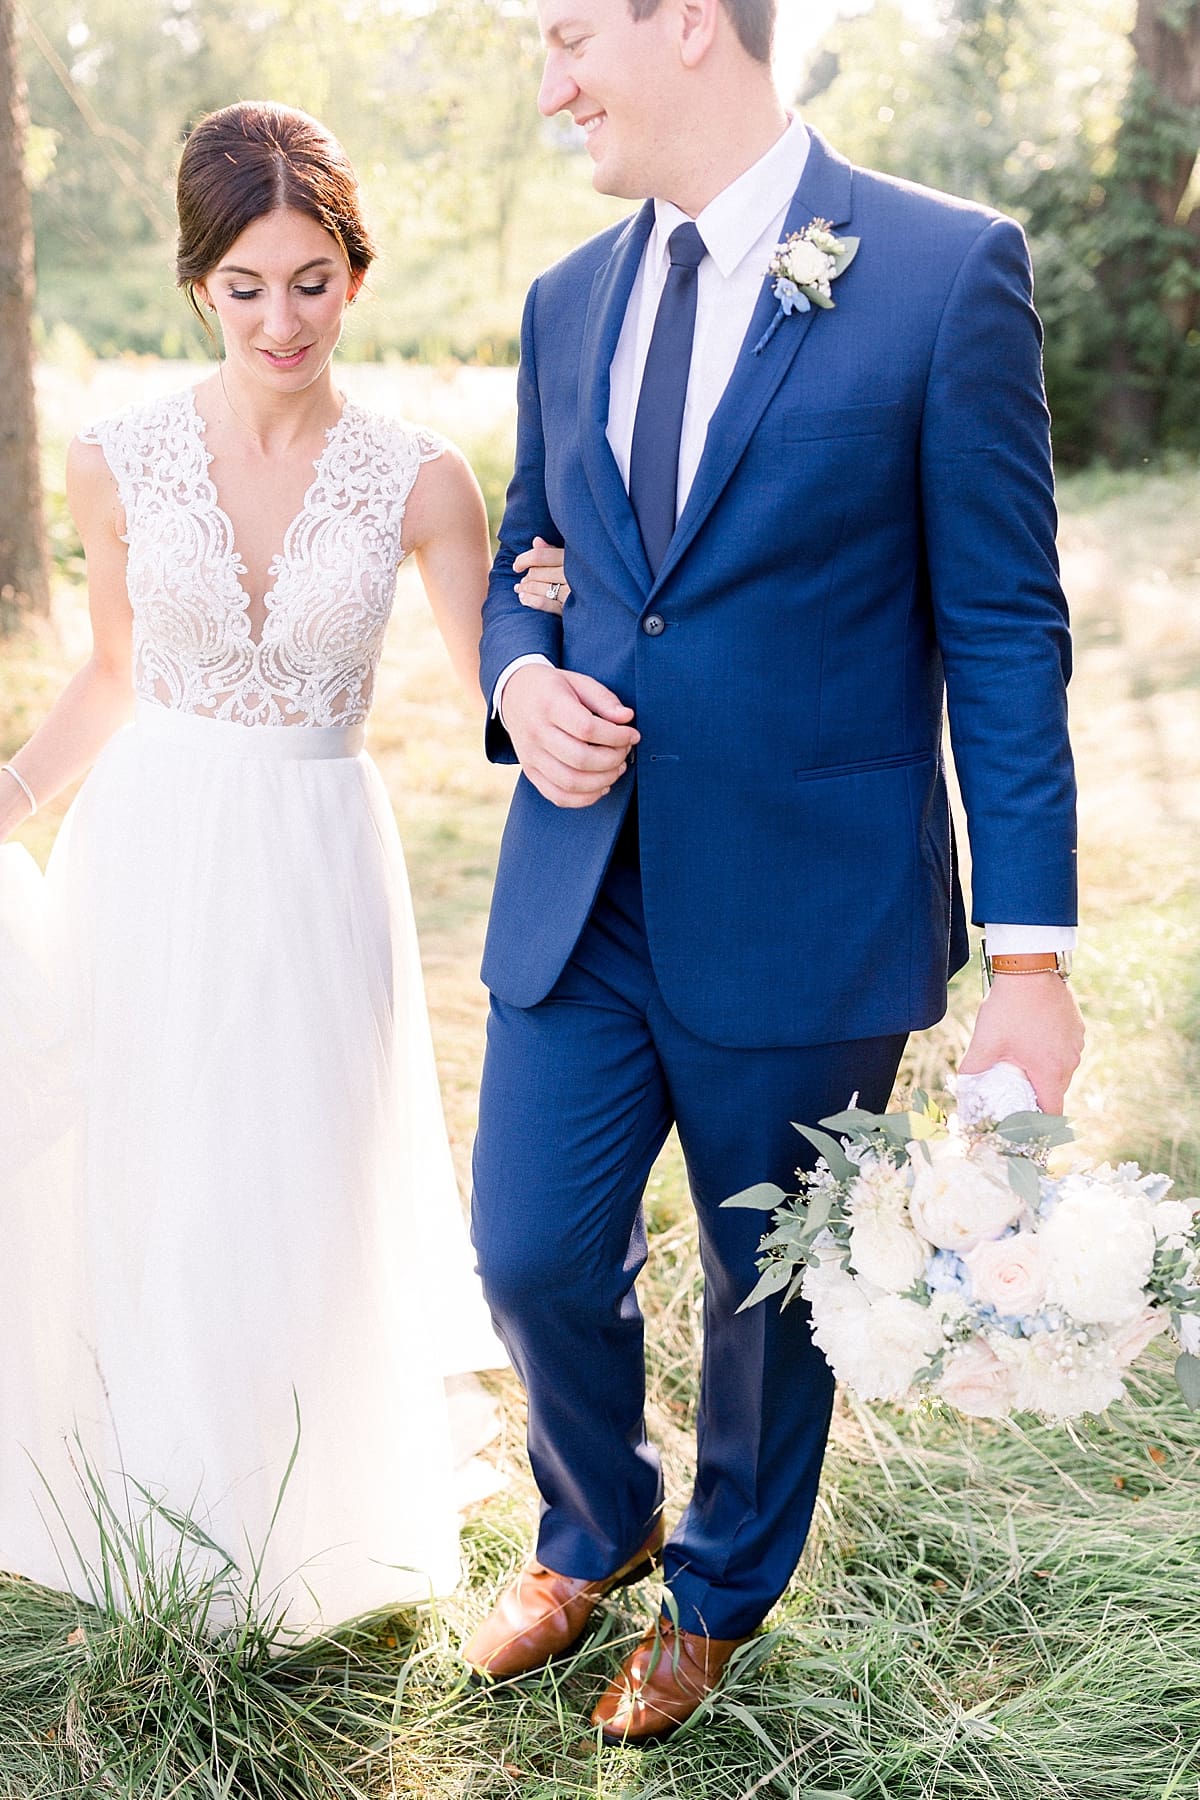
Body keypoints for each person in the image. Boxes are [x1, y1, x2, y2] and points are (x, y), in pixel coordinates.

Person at [463, 0, 1084, 1743]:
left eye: (571, 33)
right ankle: (596, 1518)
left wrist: (1029, 962)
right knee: (525, 1250)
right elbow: (536, 545)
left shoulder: (944, 274)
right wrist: (518, 678)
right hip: (582, 885)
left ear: (682, 24)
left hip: (812, 896)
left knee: (769, 1293)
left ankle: (722, 1585)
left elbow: (1006, 631)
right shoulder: (564, 300)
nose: (551, 79)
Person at [0, 100, 565, 1639]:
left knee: (299, 1177)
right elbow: (112, 679)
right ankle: (159, 1515)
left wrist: (571, 612)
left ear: (354, 274)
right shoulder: (112, 462)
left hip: (319, 863)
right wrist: (9, 795)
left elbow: (495, 686)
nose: (280, 318)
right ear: (198, 283)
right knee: (161, 1175)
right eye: (245, 284)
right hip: (153, 847)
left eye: (310, 278)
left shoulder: (420, 477)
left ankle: (303, 1521)